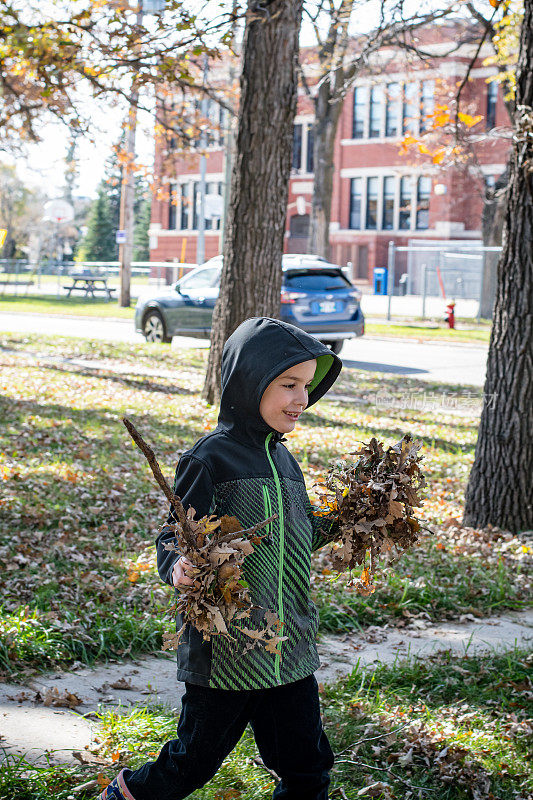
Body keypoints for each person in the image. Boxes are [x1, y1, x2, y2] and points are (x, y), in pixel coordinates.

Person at [99, 317, 343, 800]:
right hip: (226, 652)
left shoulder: (286, 461)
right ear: (250, 383)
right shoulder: (210, 459)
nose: (302, 399)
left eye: (308, 386)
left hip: (287, 649)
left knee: (308, 768)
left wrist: (348, 520)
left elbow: (299, 535)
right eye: (288, 385)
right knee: (192, 763)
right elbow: (175, 534)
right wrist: (178, 567)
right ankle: (124, 795)